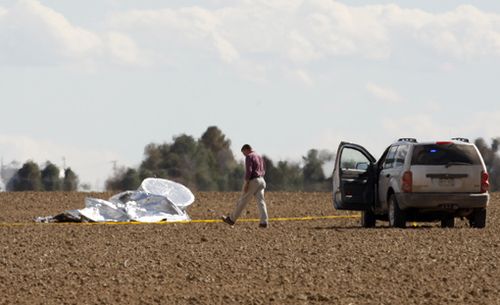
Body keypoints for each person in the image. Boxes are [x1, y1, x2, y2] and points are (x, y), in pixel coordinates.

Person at [222, 144, 269, 228]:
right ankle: (264, 222)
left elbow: (249, 170)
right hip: (262, 180)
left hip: (253, 181)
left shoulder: (249, 156)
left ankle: (231, 219)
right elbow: (263, 169)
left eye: (243, 153)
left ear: (246, 149)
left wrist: (246, 183)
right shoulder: (259, 156)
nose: (244, 155)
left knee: (242, 201)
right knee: (261, 202)